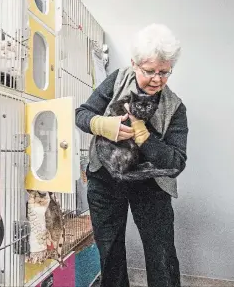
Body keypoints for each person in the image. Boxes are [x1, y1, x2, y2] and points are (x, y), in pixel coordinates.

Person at [75, 24, 188, 287]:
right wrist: (104, 126)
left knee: (161, 254)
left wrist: (142, 134)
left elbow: (176, 161)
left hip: (151, 183)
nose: (157, 79)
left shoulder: (175, 108)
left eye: (164, 72)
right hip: (105, 178)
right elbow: (82, 114)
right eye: (149, 71)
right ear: (134, 64)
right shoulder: (117, 79)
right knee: (109, 249)